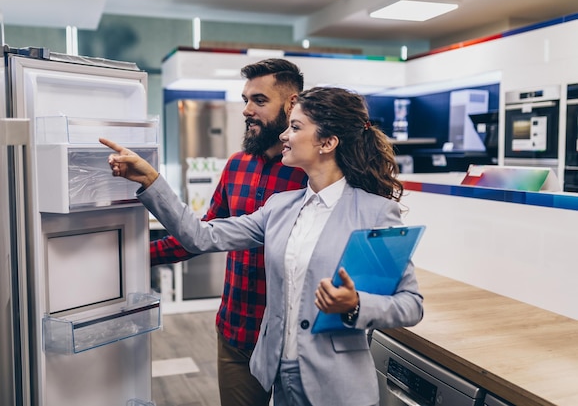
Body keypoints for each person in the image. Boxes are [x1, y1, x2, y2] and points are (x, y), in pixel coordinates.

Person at [100, 86, 424, 406]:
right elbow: (202, 235)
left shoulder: (374, 212)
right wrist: (151, 181)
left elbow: (410, 304)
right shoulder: (280, 207)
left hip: (336, 385)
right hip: (280, 375)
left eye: (295, 128)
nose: (285, 135)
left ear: (327, 142)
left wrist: (355, 304)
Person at [149, 58, 307, 406]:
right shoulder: (237, 165)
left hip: (293, 342)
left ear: (292, 103)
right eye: (246, 99)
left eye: (259, 101)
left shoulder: (310, 174)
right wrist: (140, 257)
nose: (247, 110)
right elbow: (202, 234)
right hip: (236, 330)